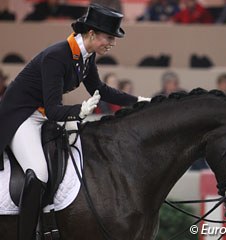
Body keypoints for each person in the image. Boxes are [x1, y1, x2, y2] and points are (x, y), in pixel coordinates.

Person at [0, 4, 150, 240]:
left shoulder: (85, 56)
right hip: (22, 116)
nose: (112, 43)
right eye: (109, 37)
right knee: (39, 172)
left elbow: (100, 89)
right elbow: (53, 110)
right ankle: (25, 234)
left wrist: (138, 101)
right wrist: (79, 110)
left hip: (44, 114)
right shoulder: (57, 56)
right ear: (91, 34)